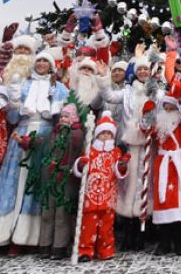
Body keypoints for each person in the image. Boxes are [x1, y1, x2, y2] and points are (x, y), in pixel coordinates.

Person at [0, 49, 67, 251]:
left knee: (35, 182)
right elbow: (12, 118)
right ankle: (3, 233)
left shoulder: (59, 87)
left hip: (44, 136)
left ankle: (29, 236)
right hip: (21, 133)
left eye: (45, 61)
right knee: (14, 181)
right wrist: (15, 104)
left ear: (51, 66)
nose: (41, 64)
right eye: (39, 60)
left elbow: (59, 118)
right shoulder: (23, 84)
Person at [115, 52, 159, 251]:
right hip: (131, 142)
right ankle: (128, 229)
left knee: (146, 183)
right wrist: (103, 77)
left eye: (145, 69)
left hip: (149, 143)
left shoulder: (156, 91)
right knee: (130, 183)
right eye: (140, 69)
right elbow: (109, 96)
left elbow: (162, 108)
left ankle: (144, 230)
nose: (142, 72)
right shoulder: (128, 91)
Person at [143, 90, 181, 256]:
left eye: (172, 106)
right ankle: (164, 242)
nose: (169, 109)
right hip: (164, 165)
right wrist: (147, 114)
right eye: (166, 106)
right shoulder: (159, 123)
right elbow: (145, 130)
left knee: (180, 204)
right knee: (163, 202)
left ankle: (180, 242)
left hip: (180, 165)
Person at [74, 112, 129, 262]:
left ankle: (106, 250)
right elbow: (79, 169)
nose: (105, 136)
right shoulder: (90, 151)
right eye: (102, 133)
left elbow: (119, 171)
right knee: (88, 227)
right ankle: (85, 250)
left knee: (106, 227)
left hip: (108, 198)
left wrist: (122, 166)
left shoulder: (115, 152)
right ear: (97, 134)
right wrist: (80, 165)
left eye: (108, 134)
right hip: (91, 198)